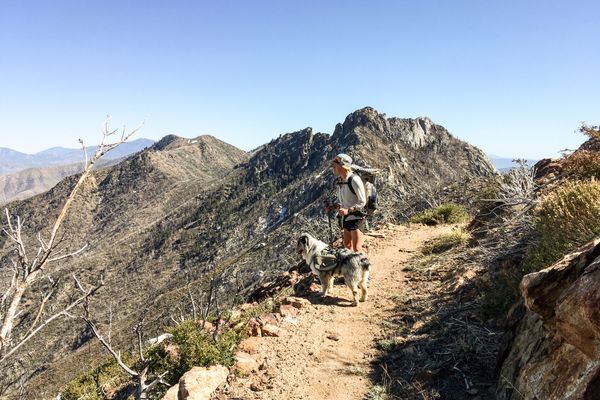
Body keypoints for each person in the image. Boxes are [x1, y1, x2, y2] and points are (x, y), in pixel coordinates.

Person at [329, 153, 367, 253]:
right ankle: (353, 267)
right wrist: (334, 206)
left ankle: (364, 267)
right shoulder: (341, 181)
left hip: (356, 218)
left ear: (342, 167)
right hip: (346, 218)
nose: (333, 168)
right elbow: (344, 201)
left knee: (357, 248)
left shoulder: (354, 180)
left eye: (335, 166)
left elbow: (362, 202)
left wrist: (348, 210)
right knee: (347, 245)